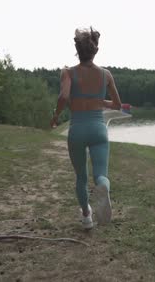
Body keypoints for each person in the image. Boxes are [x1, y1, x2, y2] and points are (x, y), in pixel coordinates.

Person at [50, 27, 122, 229]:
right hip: (99, 129)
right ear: (95, 50)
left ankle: (86, 216)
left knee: (81, 177)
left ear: (77, 50)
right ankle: (103, 188)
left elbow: (64, 97)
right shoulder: (106, 74)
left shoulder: (68, 73)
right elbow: (117, 105)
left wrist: (56, 115)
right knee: (101, 175)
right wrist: (99, 101)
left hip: (78, 129)